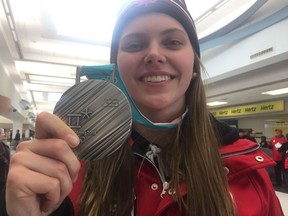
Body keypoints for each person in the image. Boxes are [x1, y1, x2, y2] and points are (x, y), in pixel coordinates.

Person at [0, 1, 283, 216]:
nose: (154, 55)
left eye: (172, 42)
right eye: (135, 44)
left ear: (193, 66)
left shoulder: (248, 168)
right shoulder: (69, 169)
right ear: (116, 69)